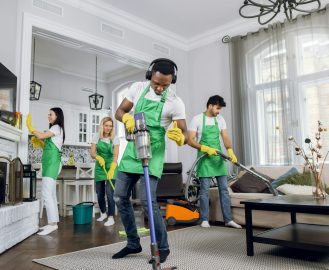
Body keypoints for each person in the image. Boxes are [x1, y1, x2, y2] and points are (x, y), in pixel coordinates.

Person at [113, 58, 187, 263]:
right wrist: (126, 118)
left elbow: (184, 131)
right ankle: (132, 243)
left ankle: (163, 247)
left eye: (166, 85)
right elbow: (120, 111)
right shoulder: (137, 89)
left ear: (172, 81)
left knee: (147, 201)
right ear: (149, 77)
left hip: (153, 154)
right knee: (119, 197)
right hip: (131, 151)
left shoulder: (175, 101)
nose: (160, 88)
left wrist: (181, 137)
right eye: (156, 83)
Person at [188, 95, 242, 229]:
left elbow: (225, 137)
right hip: (205, 159)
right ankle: (204, 219)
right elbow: (190, 140)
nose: (219, 111)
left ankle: (228, 220)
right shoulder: (197, 119)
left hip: (218, 158)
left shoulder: (220, 119)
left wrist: (230, 150)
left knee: (224, 190)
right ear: (210, 105)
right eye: (217, 108)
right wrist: (204, 148)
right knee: (205, 190)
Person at [26, 108, 65, 235]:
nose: (48, 116)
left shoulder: (56, 127)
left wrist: (30, 127)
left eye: (51, 114)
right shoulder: (54, 129)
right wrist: (41, 144)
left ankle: (52, 224)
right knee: (51, 194)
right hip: (50, 163)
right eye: (48, 114)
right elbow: (49, 144)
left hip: (52, 163)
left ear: (57, 116)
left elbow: (42, 136)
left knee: (46, 193)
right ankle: (53, 223)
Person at [90, 116, 119, 227]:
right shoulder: (96, 137)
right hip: (100, 166)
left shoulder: (114, 138)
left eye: (110, 126)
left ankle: (111, 216)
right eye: (106, 125)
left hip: (111, 166)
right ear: (102, 126)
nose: (108, 128)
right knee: (100, 192)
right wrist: (98, 157)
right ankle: (103, 213)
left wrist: (112, 167)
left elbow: (116, 155)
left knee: (110, 193)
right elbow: (92, 153)